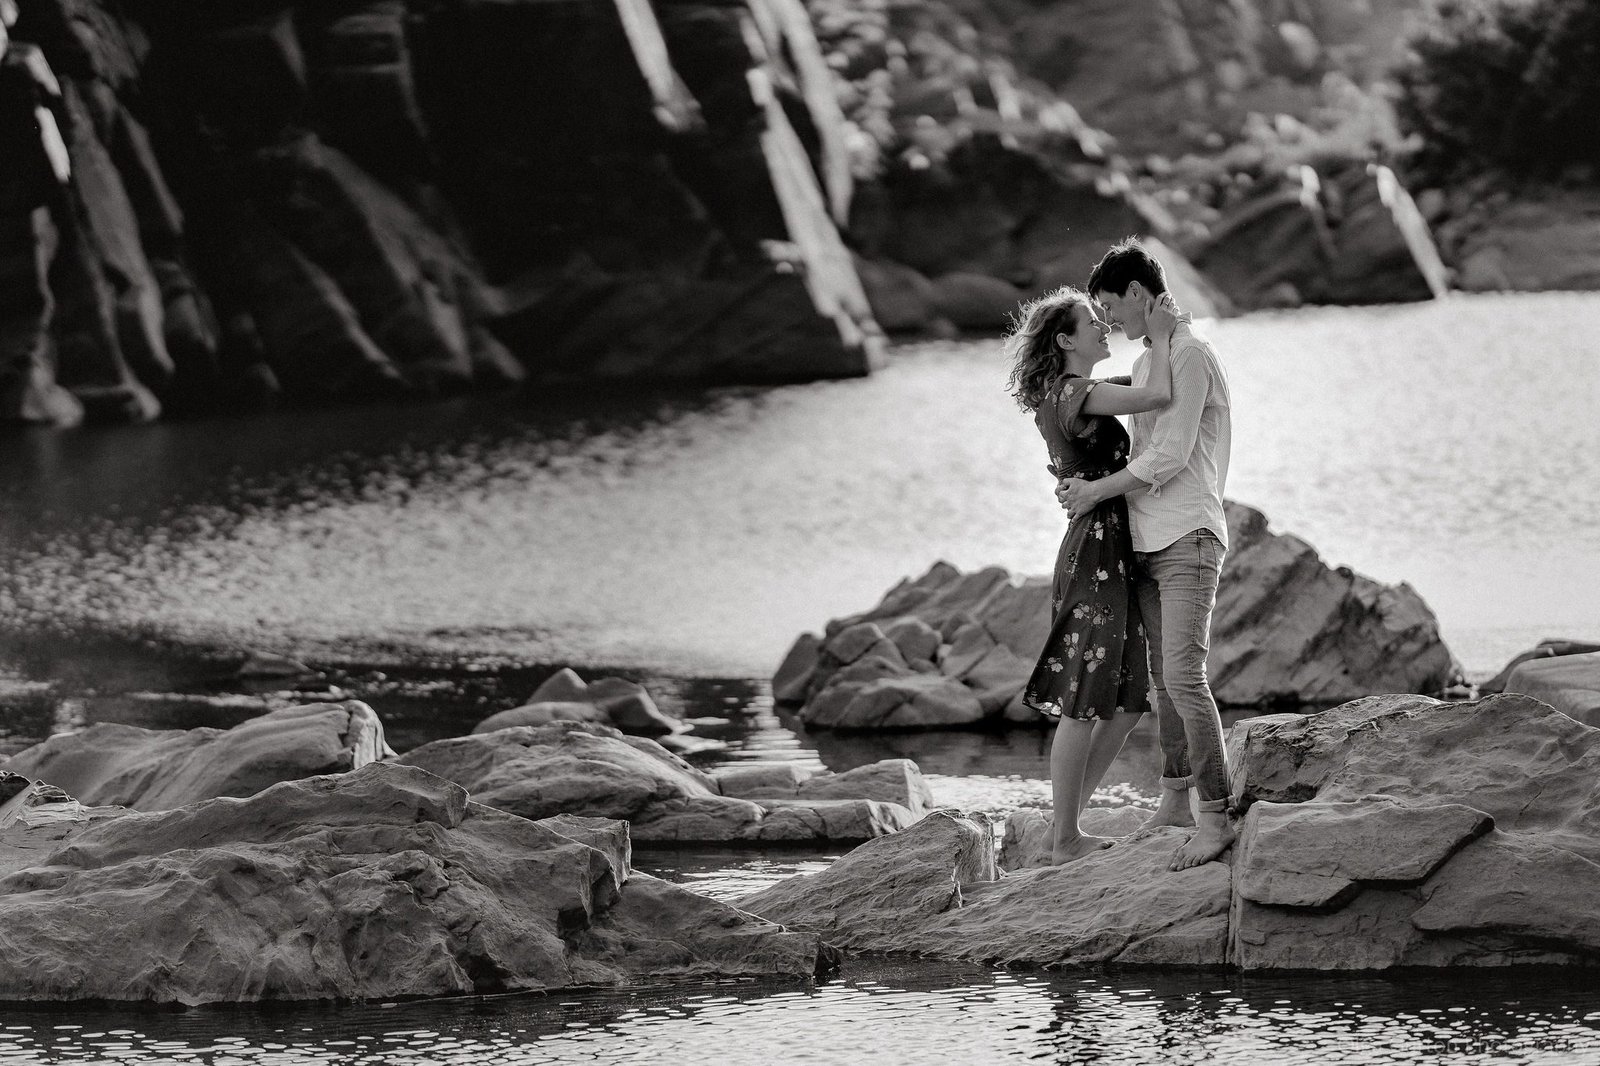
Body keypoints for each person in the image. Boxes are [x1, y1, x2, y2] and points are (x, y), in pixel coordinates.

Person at [1058, 238, 1236, 872]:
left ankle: (1215, 819)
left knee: (1186, 680)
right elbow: (1085, 404)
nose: (1108, 320)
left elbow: (1169, 457)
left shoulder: (1189, 354)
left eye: (1112, 305)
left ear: (1139, 294)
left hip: (1188, 536)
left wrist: (1095, 492)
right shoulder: (1151, 362)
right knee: (1163, 683)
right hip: (1148, 540)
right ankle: (1175, 800)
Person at [1004, 284, 1179, 865]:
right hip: (1096, 552)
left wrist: (1164, 340)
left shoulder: (1073, 391)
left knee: (1128, 701)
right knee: (1084, 699)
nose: (1104, 326)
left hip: (1109, 547)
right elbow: (1158, 395)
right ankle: (1064, 838)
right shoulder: (1076, 392)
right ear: (1065, 340)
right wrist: (1157, 335)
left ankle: (1064, 826)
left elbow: (1147, 382)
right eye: (1092, 322)